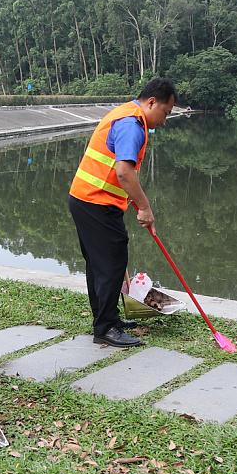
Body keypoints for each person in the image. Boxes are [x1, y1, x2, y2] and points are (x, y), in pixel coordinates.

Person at [68, 77, 177, 348]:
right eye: (165, 113)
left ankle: (108, 320)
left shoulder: (125, 113)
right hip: (95, 203)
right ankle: (105, 328)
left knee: (100, 265)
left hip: (88, 200)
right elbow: (124, 172)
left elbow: (118, 175)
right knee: (111, 265)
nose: (164, 120)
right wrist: (145, 207)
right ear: (152, 102)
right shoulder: (132, 124)